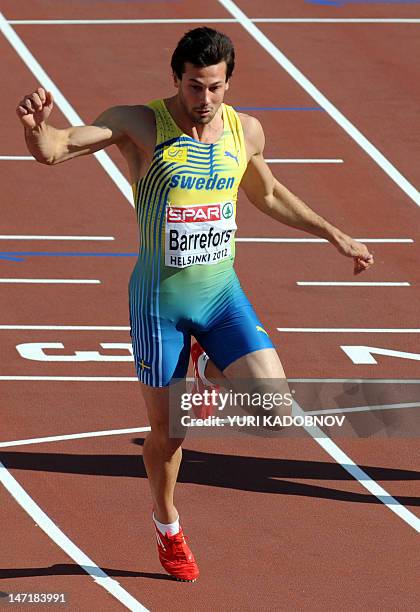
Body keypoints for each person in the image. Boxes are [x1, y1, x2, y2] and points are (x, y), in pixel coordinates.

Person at [17, 27, 374, 582]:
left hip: (221, 295)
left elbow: (270, 194)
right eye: (193, 87)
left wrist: (335, 234)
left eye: (214, 87)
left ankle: (205, 368)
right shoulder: (140, 122)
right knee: (168, 437)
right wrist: (36, 128)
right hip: (158, 303)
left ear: (228, 82)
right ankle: (167, 525)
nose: (204, 100)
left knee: (274, 412)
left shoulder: (245, 131)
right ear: (176, 80)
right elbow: (55, 150)